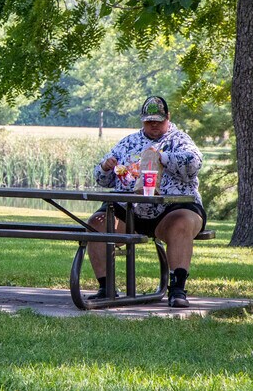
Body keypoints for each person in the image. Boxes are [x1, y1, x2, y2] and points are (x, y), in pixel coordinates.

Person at [87, 95, 206, 308]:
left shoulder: (179, 140)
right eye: (149, 121)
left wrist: (163, 158)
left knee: (182, 223)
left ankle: (177, 289)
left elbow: (195, 163)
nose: (153, 125)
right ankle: (106, 287)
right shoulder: (128, 143)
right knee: (97, 222)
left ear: (168, 118)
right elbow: (101, 179)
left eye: (158, 121)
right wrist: (106, 167)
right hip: (129, 209)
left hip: (172, 208)